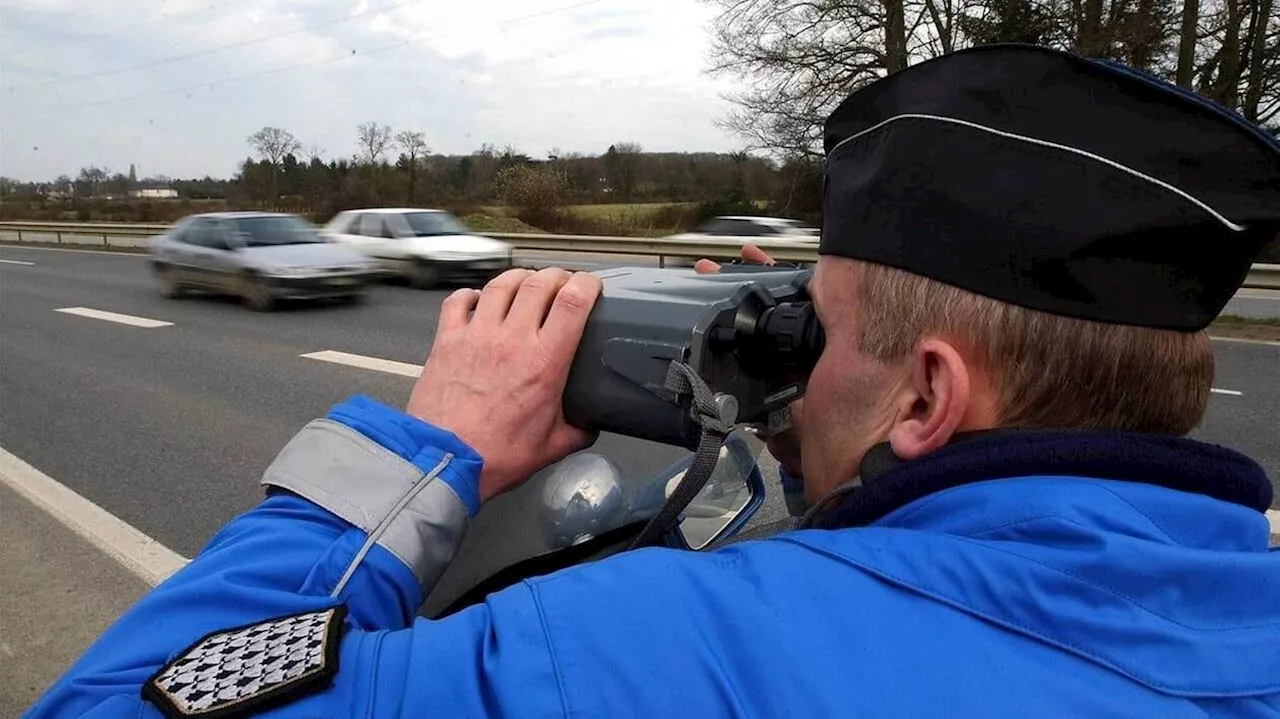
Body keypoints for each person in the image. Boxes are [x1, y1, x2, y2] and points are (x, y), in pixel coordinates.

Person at [28, 43, 1280, 719]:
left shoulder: (670, 650)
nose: (800, 366)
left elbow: (119, 703)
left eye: (825, 332)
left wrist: (424, 453)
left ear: (923, 400)